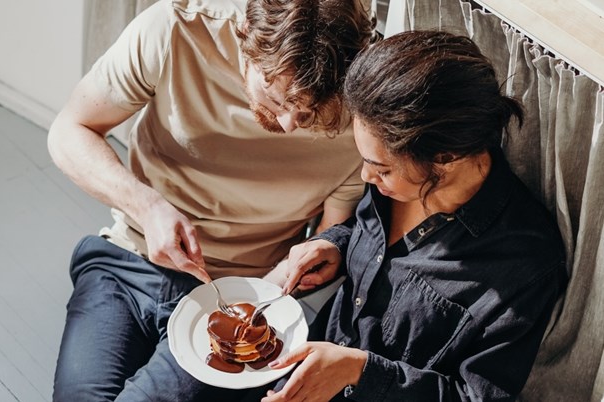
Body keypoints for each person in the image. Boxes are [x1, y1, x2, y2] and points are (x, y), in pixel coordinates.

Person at [47, 0, 375, 400]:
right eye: (277, 100)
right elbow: (69, 130)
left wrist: (318, 256)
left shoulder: (358, 113)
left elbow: (331, 232)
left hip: (245, 295)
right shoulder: (174, 29)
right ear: (248, 43)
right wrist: (147, 207)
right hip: (129, 259)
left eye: (309, 113)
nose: (290, 124)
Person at [260, 31, 568, 402]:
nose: (366, 178)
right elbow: (369, 234)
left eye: (382, 169)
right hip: (300, 370)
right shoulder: (395, 182)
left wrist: (360, 371)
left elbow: (474, 396)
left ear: (446, 158)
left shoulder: (523, 264)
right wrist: (335, 244)